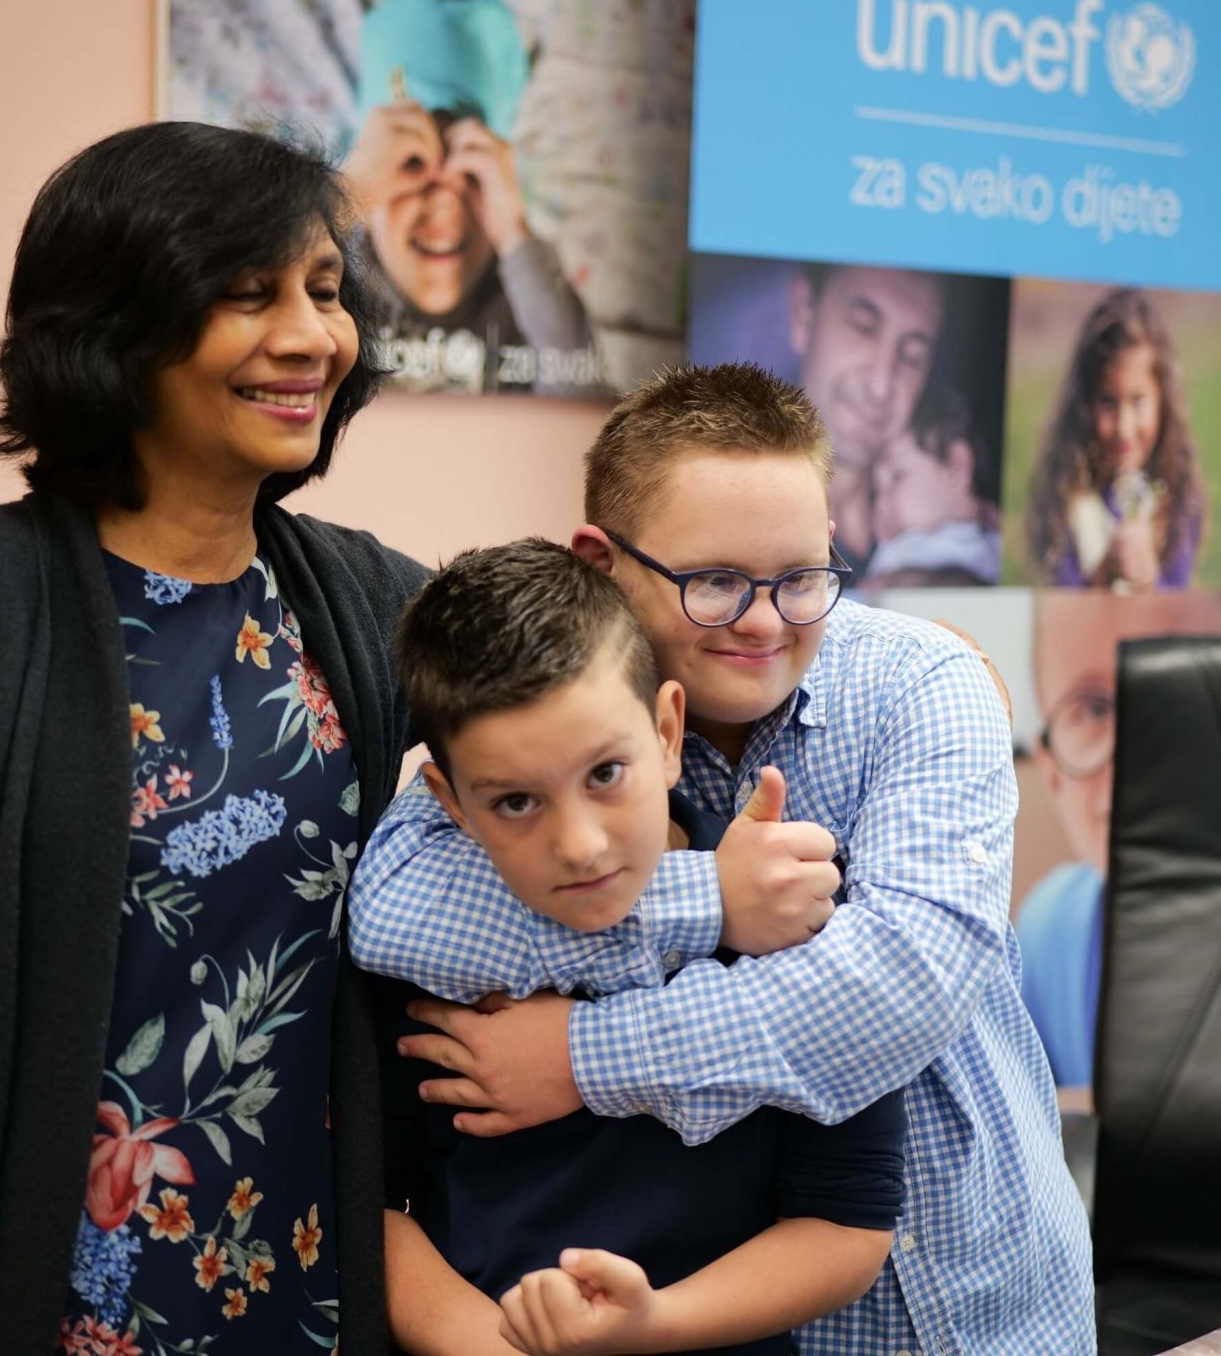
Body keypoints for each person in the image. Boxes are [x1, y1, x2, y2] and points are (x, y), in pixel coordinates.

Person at [0, 122, 427, 1356]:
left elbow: (595, 719)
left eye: (323, 291)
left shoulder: (371, 607)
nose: (310, 335)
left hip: (294, 1303)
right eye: (245, 293)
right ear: (117, 325)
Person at [350, 362, 1096, 1353]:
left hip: (974, 1298)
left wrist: (578, 1057)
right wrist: (712, 897)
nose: (762, 621)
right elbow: (398, 904)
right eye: (713, 582)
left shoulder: (924, 689)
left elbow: (902, 980)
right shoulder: (559, 713)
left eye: (800, 578)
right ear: (600, 560)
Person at [379, 538, 905, 1355]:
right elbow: (370, 1200)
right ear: (451, 804)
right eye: (515, 801)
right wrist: (490, 1343)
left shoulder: (793, 911)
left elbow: (846, 1225)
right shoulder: (426, 958)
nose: (580, 845)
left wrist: (651, 1324)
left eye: (604, 774)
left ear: (666, 731)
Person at [1015, 590, 1221, 1098]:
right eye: (1092, 709)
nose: (1134, 758)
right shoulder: (1046, 933)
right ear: (1052, 772)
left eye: (1178, 696)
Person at [340, 0, 600, 396]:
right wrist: (345, 196)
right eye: (412, 164)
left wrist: (515, 233)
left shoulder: (530, 299)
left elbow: (583, 409)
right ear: (370, 204)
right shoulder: (330, 278)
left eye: (472, 174)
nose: (444, 200)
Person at [1027, 287, 1207, 591]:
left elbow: (1178, 600)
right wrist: (1101, 575)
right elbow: (1056, 603)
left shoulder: (1179, 500)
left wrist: (1151, 581)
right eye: (1108, 403)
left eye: (1138, 401)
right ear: (1085, 404)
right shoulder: (1065, 495)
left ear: (1163, 401)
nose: (1124, 428)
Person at [788, 263, 946, 567]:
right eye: (863, 327)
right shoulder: (731, 519)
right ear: (803, 312)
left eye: (913, 356)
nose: (880, 387)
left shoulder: (944, 531)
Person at [862, 388, 1003, 588]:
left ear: (956, 466)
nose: (880, 505)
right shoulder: (897, 552)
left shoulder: (1000, 546)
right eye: (876, 492)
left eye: (897, 477)